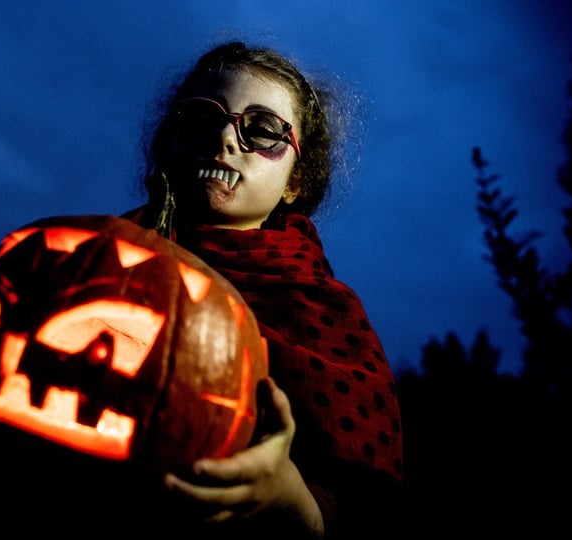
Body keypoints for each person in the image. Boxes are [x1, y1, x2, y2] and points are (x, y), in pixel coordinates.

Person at [120, 40, 404, 539]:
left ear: (296, 179)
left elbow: (360, 519)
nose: (225, 139)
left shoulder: (320, 309)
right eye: (204, 118)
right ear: (171, 142)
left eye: (262, 129)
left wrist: (287, 494)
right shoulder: (95, 254)